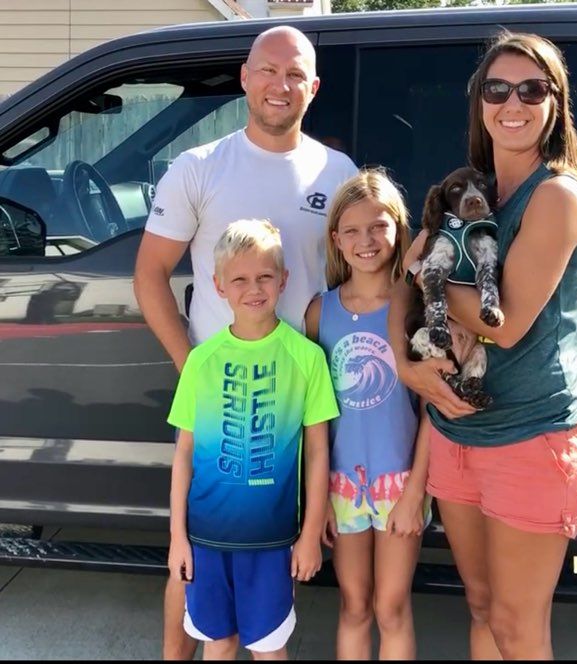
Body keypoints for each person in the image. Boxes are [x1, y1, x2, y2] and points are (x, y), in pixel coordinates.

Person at [133, 25, 357, 660]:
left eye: (294, 75)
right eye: (266, 70)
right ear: (245, 78)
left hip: (302, 393)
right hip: (223, 397)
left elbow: (358, 271)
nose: (279, 85)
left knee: (277, 555)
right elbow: (149, 275)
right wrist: (193, 368)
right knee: (197, 555)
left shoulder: (336, 172)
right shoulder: (199, 166)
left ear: (313, 88)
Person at [387, 31, 577, 660]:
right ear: (479, 102)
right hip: (457, 438)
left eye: (532, 89)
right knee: (480, 609)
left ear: (555, 103)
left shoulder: (557, 196)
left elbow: (501, 322)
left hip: (530, 442)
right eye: (497, 88)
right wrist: (406, 364)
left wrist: (424, 268)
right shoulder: (469, 191)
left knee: (516, 628)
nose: (514, 102)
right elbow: (403, 282)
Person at [167, 219, 337, 660]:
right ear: (219, 286)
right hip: (206, 538)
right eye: (239, 279)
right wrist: (177, 537)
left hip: (273, 540)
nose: (253, 288)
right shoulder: (201, 362)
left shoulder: (307, 358)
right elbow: (184, 453)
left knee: (268, 646)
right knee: (218, 643)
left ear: (283, 280)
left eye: (264, 276)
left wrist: (310, 534)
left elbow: (318, 453)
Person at [304, 169, 432, 660]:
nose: (366, 240)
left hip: (400, 484)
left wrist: (415, 491)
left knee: (391, 607)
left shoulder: (415, 308)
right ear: (335, 240)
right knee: (354, 606)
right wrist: (316, 504)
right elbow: (313, 419)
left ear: (398, 230)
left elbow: (430, 413)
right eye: (352, 230)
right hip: (341, 488)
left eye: (378, 226)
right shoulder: (321, 312)